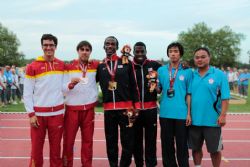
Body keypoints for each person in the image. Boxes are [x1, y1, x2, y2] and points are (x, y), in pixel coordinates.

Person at [96, 36, 140, 167]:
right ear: (104, 46)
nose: (110, 46)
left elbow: (134, 85)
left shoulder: (126, 63)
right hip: (108, 110)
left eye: (112, 44)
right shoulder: (100, 66)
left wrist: (136, 105)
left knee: (128, 142)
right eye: (107, 44)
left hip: (126, 110)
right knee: (111, 141)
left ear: (117, 47)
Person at [24, 34, 65, 167]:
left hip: (57, 114)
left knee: (55, 151)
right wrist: (31, 114)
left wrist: (71, 85)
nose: (48, 47)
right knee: (36, 151)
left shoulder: (61, 65)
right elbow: (27, 93)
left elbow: (64, 87)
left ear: (55, 47)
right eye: (46, 45)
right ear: (42, 46)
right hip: (39, 116)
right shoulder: (32, 66)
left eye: (51, 45)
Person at [189, 47, 230, 167]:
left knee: (215, 150)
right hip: (194, 120)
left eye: (203, 57)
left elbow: (225, 97)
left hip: (212, 120)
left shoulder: (219, 75)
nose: (199, 59)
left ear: (209, 57)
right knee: (195, 148)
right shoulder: (191, 75)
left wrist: (223, 115)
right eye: (197, 57)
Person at [62, 41, 99, 167]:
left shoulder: (95, 65)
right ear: (77, 51)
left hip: (89, 110)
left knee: (88, 142)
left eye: (87, 49)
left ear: (90, 52)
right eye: (82, 49)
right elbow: (62, 87)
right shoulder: (69, 66)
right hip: (72, 110)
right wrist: (70, 85)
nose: (84, 51)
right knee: (68, 142)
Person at [157, 42, 192, 167]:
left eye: (176, 51)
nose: (173, 53)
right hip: (165, 113)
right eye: (170, 51)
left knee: (182, 145)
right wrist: (153, 85)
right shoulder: (161, 70)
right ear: (168, 54)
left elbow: (189, 94)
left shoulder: (187, 71)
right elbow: (159, 90)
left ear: (180, 54)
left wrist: (189, 113)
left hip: (182, 114)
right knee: (167, 145)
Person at [131, 42, 161, 167]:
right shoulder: (129, 66)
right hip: (134, 110)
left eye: (141, 51)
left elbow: (169, 70)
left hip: (151, 109)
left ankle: (151, 164)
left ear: (146, 51)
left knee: (151, 140)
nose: (139, 54)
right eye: (137, 52)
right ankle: (139, 163)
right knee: (136, 140)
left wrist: (184, 66)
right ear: (133, 52)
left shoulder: (153, 64)